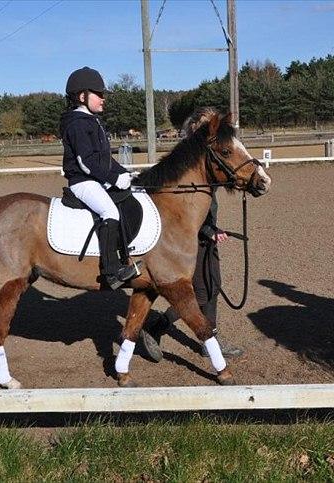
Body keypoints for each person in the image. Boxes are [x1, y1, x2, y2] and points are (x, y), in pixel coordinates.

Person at [138, 107, 244, 362]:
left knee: (211, 286)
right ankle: (159, 327)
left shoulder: (207, 156)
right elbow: (182, 205)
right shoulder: (186, 160)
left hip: (206, 233)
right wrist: (207, 230)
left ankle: (207, 339)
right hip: (187, 238)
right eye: (207, 126)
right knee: (197, 291)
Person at [60, 66, 141, 290]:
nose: (104, 98)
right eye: (99, 94)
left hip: (95, 179)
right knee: (110, 212)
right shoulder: (77, 123)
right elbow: (87, 162)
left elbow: (104, 159)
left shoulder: (92, 121)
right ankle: (111, 271)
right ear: (82, 96)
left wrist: (124, 174)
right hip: (82, 182)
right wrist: (114, 180)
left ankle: (125, 253)